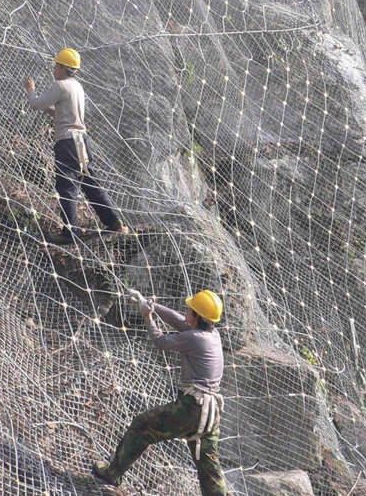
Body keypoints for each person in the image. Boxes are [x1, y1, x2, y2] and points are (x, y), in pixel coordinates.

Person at [92, 289, 227, 495]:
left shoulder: (194, 338)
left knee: (141, 426)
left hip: (192, 408)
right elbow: (181, 322)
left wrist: (147, 316)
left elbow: (160, 341)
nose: (186, 312)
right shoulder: (212, 334)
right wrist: (152, 305)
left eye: (190, 310)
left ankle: (113, 473)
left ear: (197, 316)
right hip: (210, 413)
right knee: (208, 465)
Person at [23, 48, 128, 244]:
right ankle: (114, 222)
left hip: (67, 143)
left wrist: (30, 90)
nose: (54, 68)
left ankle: (70, 232)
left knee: (67, 187)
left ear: (64, 68)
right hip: (82, 141)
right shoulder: (76, 86)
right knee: (90, 183)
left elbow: (35, 104)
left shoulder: (61, 86)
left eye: (56, 65)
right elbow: (60, 113)